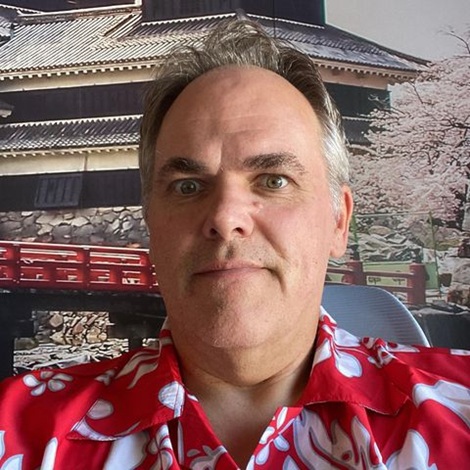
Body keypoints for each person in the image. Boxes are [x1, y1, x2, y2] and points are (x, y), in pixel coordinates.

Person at [0, 19, 469, 469]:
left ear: (339, 221)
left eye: (273, 180)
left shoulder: (459, 408)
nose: (225, 218)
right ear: (151, 225)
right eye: (187, 186)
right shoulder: (19, 433)